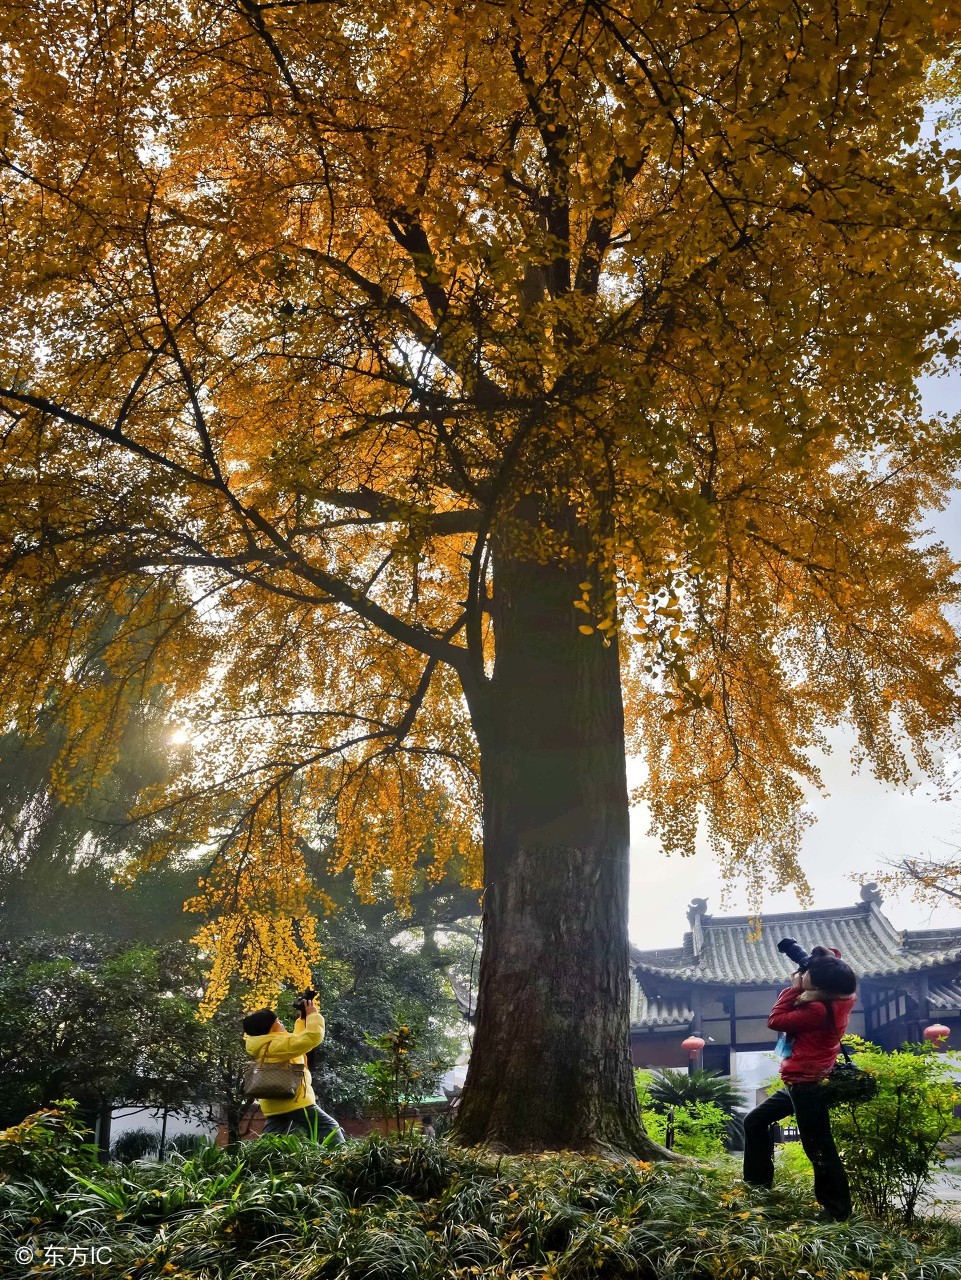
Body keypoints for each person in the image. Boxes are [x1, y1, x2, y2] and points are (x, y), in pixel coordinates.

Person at [742, 944, 858, 1221]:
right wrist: (820, 956)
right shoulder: (843, 995)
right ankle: (758, 1186)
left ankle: (836, 1211)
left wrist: (793, 988)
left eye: (808, 974)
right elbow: (835, 968)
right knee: (754, 1121)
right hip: (803, 1079)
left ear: (818, 984)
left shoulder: (817, 1009)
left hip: (807, 1083)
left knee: (819, 1146)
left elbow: (776, 1020)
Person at [242, 997, 346, 1145]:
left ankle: (258, 1164)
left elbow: (295, 1041)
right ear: (270, 1028)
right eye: (277, 1022)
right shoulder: (277, 1045)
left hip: (273, 1104)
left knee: (271, 1142)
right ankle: (341, 1160)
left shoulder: (265, 1044)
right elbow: (311, 1037)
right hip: (294, 1100)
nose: (281, 1023)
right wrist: (313, 1015)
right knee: (330, 1128)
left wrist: (303, 1019)